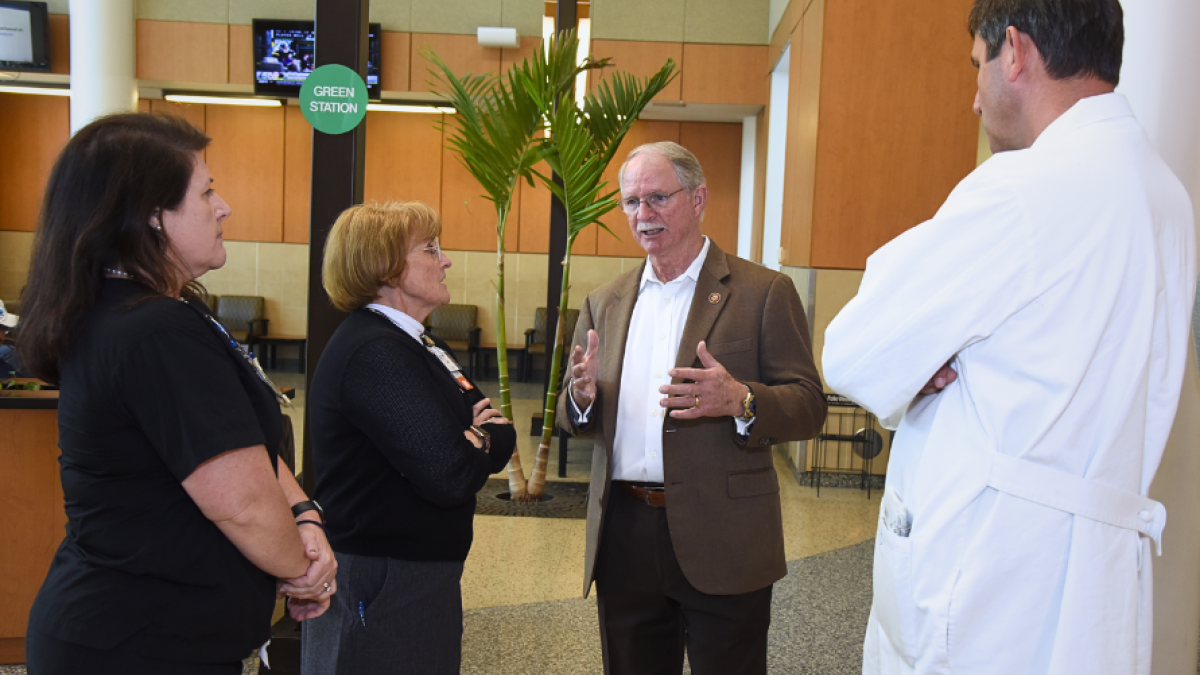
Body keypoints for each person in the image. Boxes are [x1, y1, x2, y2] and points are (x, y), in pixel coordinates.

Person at [822, 1, 1196, 673]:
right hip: (1092, 580)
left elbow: (854, 348)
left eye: (977, 68)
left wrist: (929, 350)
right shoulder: (1165, 195)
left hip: (992, 585)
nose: (974, 99)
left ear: (1015, 51)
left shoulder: (1021, 189)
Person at [15, 113, 336, 674]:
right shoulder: (153, 331)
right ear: (151, 218)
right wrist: (303, 568)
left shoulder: (165, 307)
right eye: (206, 191)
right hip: (136, 644)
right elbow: (240, 503)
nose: (223, 206)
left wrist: (304, 515)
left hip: (146, 634)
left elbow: (245, 444)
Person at [557, 142, 827, 674]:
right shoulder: (604, 302)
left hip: (724, 533)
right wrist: (581, 398)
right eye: (631, 202)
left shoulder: (763, 292)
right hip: (625, 533)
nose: (643, 214)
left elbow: (808, 404)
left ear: (698, 198)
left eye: (657, 197)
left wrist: (741, 399)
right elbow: (574, 413)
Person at [301, 201, 516, 674]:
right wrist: (478, 442)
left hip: (415, 575)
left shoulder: (418, 343)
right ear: (387, 267)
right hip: (382, 580)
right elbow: (450, 472)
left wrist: (477, 438)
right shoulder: (376, 351)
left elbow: (497, 428)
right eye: (431, 248)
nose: (446, 260)